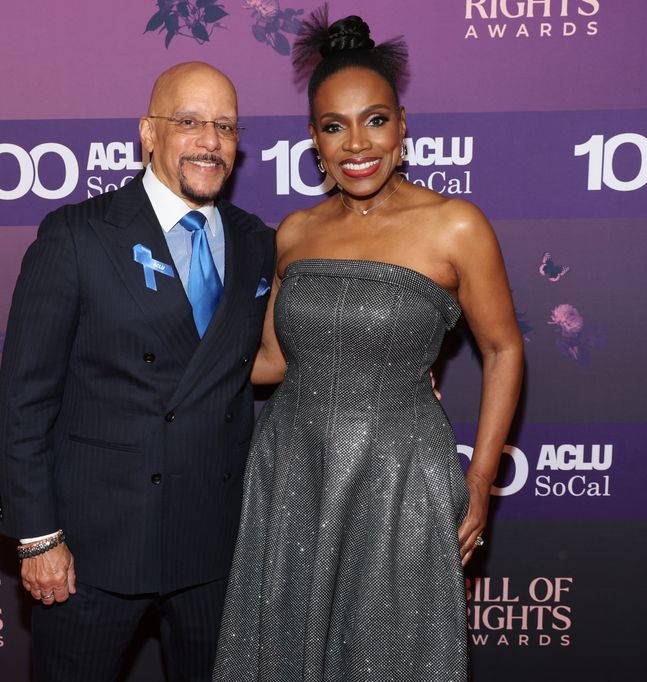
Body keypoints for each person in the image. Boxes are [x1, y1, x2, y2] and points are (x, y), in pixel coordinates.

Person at [213, 11, 524, 682]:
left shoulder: (455, 226)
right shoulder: (293, 233)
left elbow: (503, 351)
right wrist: (159, 366)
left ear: (403, 124)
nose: (357, 143)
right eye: (334, 126)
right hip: (293, 472)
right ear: (314, 141)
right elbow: (269, 360)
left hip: (400, 480)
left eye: (375, 120)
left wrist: (478, 485)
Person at [0, 62, 276, 681]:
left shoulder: (257, 241)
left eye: (225, 126)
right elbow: (24, 401)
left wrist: (385, 368)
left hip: (214, 548)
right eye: (189, 122)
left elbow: (275, 356)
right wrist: (39, 537)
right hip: (94, 550)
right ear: (149, 132)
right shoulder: (76, 237)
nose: (210, 141)